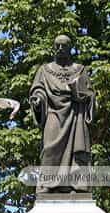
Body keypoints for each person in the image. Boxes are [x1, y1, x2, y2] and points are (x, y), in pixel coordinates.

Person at [29, 35, 95, 193]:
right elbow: (37, 89)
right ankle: (47, 186)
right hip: (53, 114)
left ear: (70, 48)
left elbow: (90, 93)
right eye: (57, 45)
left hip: (75, 115)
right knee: (50, 148)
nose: (60, 49)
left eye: (64, 46)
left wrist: (82, 94)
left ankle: (77, 186)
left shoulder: (79, 69)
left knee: (76, 152)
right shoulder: (45, 70)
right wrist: (38, 100)